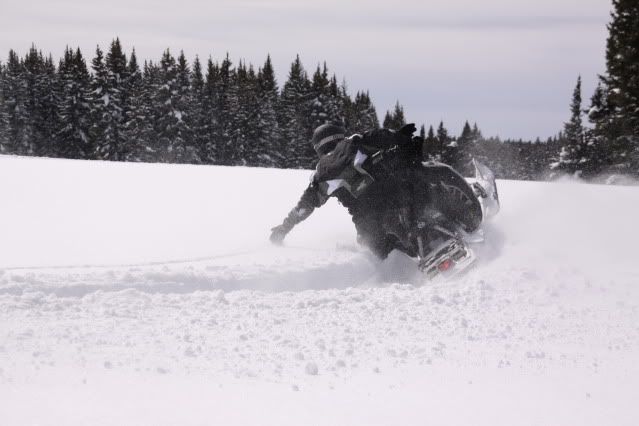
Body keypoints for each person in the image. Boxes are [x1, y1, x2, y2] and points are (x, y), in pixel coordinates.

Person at [269, 122, 423, 259]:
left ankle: (408, 265)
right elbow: (380, 135)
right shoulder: (353, 142)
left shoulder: (321, 174)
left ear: (318, 147)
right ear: (338, 136)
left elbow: (303, 207)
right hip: (396, 195)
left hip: (367, 220)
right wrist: (401, 136)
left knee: (373, 247)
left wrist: (284, 228)